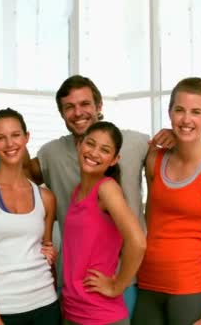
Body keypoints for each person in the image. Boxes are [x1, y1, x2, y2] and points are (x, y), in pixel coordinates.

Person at [24, 75, 174, 315]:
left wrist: (175, 135)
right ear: (62, 113)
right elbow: (21, 176)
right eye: (69, 107)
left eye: (85, 104)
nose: (78, 112)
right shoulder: (50, 154)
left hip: (122, 279)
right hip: (72, 283)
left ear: (99, 106)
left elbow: (178, 160)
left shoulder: (134, 142)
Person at [132, 77, 201, 325]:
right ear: (170, 113)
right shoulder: (154, 159)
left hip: (189, 290)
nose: (186, 119)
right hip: (146, 284)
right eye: (179, 110)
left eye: (196, 112)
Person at [0, 108, 60, 325]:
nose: (10, 144)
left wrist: (50, 251)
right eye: (1, 138)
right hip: (0, 309)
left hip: (45, 304)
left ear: (26, 137)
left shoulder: (45, 197)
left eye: (15, 135)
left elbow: (45, 249)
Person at [62, 121, 146, 325]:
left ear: (114, 159)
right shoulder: (77, 192)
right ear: (79, 145)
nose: (94, 153)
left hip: (101, 315)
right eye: (90, 144)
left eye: (105, 150)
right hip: (72, 311)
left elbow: (138, 242)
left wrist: (117, 286)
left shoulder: (107, 189)